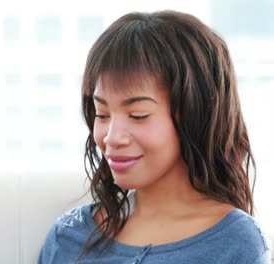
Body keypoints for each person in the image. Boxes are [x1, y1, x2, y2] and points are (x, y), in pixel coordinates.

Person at [38, 10, 272, 263]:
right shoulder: (69, 235)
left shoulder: (235, 244)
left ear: (195, 114)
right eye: (102, 114)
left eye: (138, 115)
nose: (112, 138)